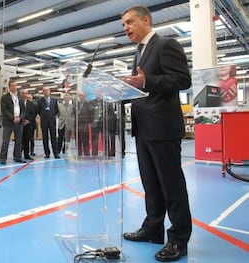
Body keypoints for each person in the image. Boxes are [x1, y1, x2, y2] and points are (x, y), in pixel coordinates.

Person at [121, 6, 192, 262]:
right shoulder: (139, 52)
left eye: (130, 22)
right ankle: (153, 229)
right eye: (123, 25)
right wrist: (121, 91)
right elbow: (141, 88)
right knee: (151, 184)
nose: (126, 28)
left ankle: (178, 239)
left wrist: (146, 81)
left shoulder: (165, 45)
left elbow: (183, 80)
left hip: (163, 127)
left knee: (171, 185)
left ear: (146, 20)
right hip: (143, 127)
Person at [0, 80, 26, 165]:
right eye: (12, 85)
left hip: (19, 122)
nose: (14, 87)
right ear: (9, 87)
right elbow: (4, 110)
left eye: (15, 85)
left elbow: (24, 110)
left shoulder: (20, 98)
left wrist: (20, 118)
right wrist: (12, 118)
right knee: (6, 141)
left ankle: (18, 156)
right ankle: (3, 158)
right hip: (8, 122)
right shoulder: (4, 97)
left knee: (19, 141)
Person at [36, 86, 60, 159]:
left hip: (52, 121)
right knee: (45, 138)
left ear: (49, 91)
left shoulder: (54, 100)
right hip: (44, 121)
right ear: (43, 92)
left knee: (53, 137)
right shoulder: (40, 101)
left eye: (47, 91)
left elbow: (56, 110)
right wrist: (44, 115)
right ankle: (47, 153)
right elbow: (38, 111)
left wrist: (51, 115)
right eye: (44, 91)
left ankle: (55, 153)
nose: (46, 92)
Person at [20, 89, 36, 160]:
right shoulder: (18, 102)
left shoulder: (31, 103)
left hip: (28, 124)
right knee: (19, 140)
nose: (25, 95)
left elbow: (33, 114)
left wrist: (28, 121)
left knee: (27, 140)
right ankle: (17, 155)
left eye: (26, 93)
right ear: (21, 94)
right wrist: (21, 120)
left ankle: (26, 155)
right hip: (20, 124)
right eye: (23, 93)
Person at [76, 91, 92, 157]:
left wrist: (83, 118)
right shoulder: (77, 104)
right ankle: (79, 153)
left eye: (82, 95)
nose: (80, 97)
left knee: (85, 140)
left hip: (85, 125)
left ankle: (86, 153)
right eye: (79, 96)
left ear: (84, 96)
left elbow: (90, 115)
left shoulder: (88, 104)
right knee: (79, 140)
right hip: (78, 125)